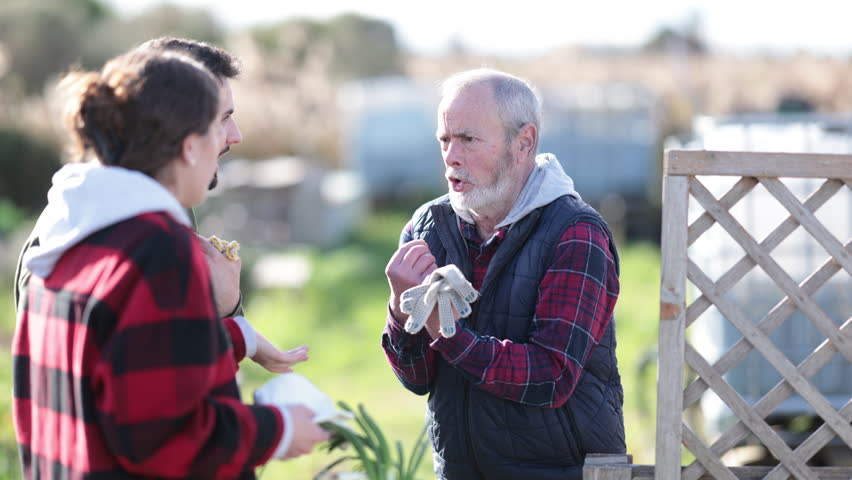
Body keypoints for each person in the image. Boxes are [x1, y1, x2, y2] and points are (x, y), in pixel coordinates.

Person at [12, 49, 328, 479]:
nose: (229, 140)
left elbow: (121, 370)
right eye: (218, 126)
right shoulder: (158, 247)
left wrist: (238, 337)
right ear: (190, 146)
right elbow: (164, 438)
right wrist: (280, 428)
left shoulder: (67, 235)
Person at [12, 36, 310, 376]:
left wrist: (238, 330)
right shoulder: (140, 241)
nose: (235, 135)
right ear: (179, 129)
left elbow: (154, 349)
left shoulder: (113, 211)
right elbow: (160, 382)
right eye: (220, 118)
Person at [382, 68, 625, 480]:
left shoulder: (576, 233)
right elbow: (417, 380)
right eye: (445, 139)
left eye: (468, 139)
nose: (451, 156)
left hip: (562, 473)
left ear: (523, 142)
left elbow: (551, 376)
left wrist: (447, 332)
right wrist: (401, 310)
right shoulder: (427, 226)